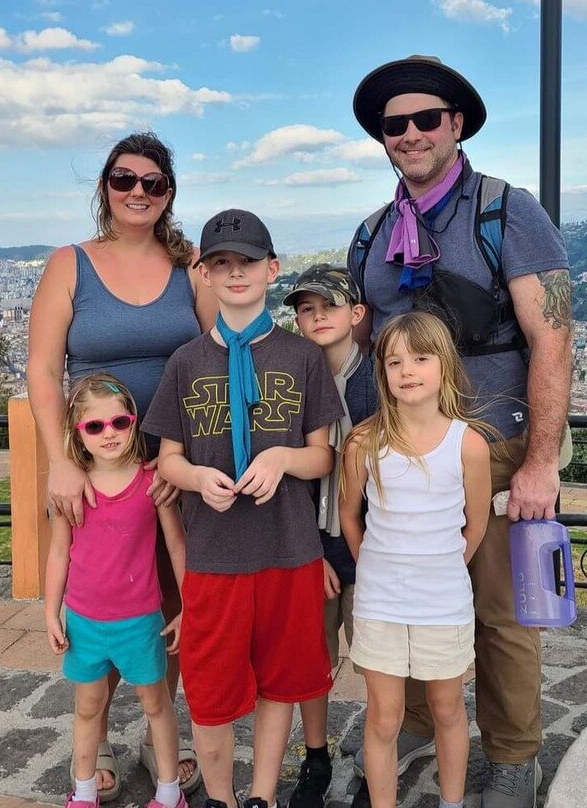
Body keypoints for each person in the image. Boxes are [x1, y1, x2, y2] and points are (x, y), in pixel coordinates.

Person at [348, 55, 572, 808]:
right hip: (402, 447)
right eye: (393, 124)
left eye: (424, 119)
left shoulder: (507, 210)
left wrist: (541, 460)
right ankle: (411, 716)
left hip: (496, 438)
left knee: (501, 611)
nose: (408, 134)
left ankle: (512, 753)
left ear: (455, 125)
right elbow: (366, 340)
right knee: (406, 584)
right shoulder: (372, 233)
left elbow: (553, 335)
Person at [28, 132, 215, 800]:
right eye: (124, 178)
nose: (138, 191)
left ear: (169, 193)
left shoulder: (185, 263)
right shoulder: (69, 264)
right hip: (92, 459)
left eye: (153, 182)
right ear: (104, 187)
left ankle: (167, 728)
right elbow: (44, 370)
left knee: (167, 590)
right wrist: (60, 463)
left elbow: (217, 352)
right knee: (95, 590)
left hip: (173, 456)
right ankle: (97, 732)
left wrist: (190, 458)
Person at [144, 208, 344, 808]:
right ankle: (221, 798)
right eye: (221, 263)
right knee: (210, 690)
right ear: (203, 275)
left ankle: (259, 797)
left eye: (248, 262)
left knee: (280, 684)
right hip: (213, 555)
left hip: (289, 549)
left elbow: (323, 457)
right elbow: (168, 461)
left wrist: (282, 459)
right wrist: (198, 476)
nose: (236, 274)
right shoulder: (185, 363)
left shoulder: (301, 357)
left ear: (272, 270)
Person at [340, 312, 491, 808]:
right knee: (383, 717)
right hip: (381, 600)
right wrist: (378, 565)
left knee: (447, 709)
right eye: (395, 361)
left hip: (443, 601)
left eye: (421, 358)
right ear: (382, 372)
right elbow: (349, 515)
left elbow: (476, 523)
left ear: (444, 365)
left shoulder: (468, 444)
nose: (408, 370)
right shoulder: (364, 442)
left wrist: (440, 563)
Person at [45, 373, 188, 808]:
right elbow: (59, 555)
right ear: (78, 431)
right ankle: (84, 791)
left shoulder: (152, 484)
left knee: (157, 705)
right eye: (95, 426)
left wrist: (189, 605)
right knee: (88, 708)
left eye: (119, 423)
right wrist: (51, 611)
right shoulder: (71, 491)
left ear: (134, 422)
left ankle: (169, 793)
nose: (109, 434)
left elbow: (176, 544)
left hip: (141, 620)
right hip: (85, 622)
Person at [281, 264, 377, 808]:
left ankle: (373, 755)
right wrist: (310, 551)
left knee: (377, 662)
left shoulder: (378, 380)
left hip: (368, 542)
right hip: (313, 543)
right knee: (311, 661)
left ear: (355, 314)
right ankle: (315, 756)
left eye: (329, 307)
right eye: (306, 309)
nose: (316, 317)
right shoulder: (293, 379)